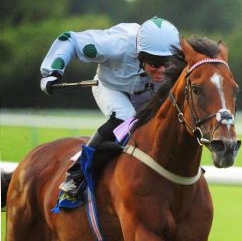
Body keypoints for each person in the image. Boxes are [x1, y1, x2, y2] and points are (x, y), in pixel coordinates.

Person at [40, 16, 181, 199]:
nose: (161, 71)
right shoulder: (116, 44)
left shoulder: (178, 52)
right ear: (140, 55)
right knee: (126, 117)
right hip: (110, 88)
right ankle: (76, 173)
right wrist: (52, 72)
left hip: (148, 95)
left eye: (167, 64)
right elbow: (70, 40)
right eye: (154, 64)